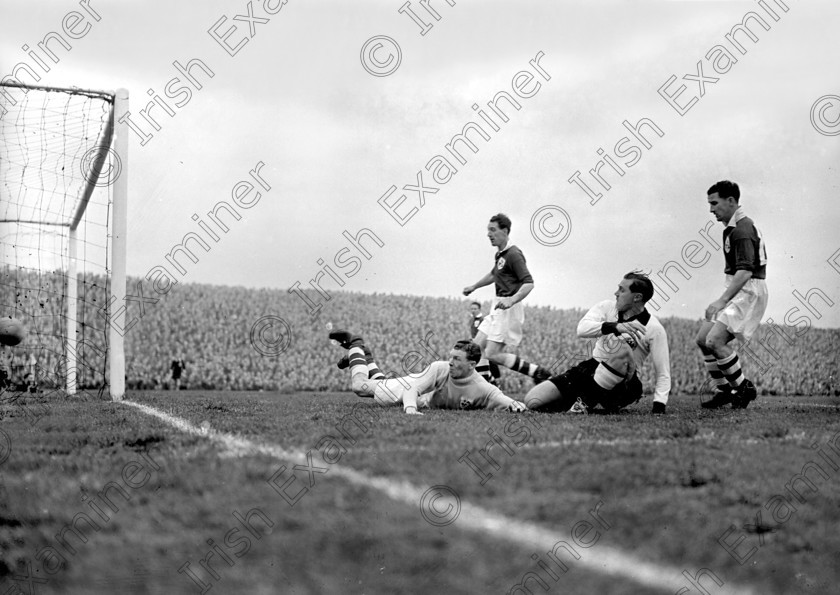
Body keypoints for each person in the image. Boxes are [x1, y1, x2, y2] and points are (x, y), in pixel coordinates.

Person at [524, 272, 671, 414]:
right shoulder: (607, 307)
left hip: (624, 383)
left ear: (637, 297)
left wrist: (659, 407)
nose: (616, 293)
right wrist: (614, 326)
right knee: (533, 401)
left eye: (622, 290)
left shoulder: (654, 328)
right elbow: (581, 329)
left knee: (621, 350)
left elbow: (663, 373)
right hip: (592, 368)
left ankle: (581, 407)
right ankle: (581, 404)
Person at [329, 329, 527, 415]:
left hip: (415, 392)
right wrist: (410, 409)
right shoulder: (440, 368)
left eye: (457, 359)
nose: (450, 362)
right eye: (451, 356)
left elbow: (501, 397)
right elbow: (411, 390)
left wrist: (516, 404)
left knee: (382, 382)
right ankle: (355, 342)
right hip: (408, 388)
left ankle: (365, 355)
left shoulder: (482, 387)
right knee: (360, 386)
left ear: (472, 365)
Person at [697, 180, 767, 409]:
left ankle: (743, 389)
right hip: (739, 288)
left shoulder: (742, 229)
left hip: (748, 291)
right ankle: (726, 391)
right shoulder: (732, 227)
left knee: (714, 341)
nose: (711, 209)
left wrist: (722, 300)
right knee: (703, 340)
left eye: (714, 203)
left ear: (731, 201)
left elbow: (746, 271)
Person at [463, 213, 549, 384]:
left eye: (493, 230)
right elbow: (494, 274)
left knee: (492, 354)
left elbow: (529, 283)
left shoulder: (514, 254)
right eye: (488, 230)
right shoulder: (500, 255)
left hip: (508, 307)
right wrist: (474, 286)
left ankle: (537, 372)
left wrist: (511, 300)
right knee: (475, 348)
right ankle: (488, 385)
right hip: (498, 306)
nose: (489, 234)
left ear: (505, 231)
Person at [467, 301, 500, 384]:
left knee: (487, 363)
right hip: (475, 345)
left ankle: (493, 382)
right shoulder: (472, 320)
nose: (473, 310)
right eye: (471, 309)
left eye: (475, 309)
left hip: (482, 345)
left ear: (479, 309)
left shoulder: (483, 320)